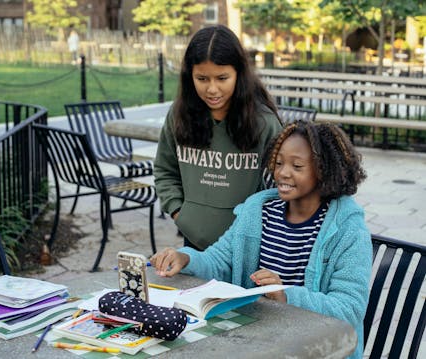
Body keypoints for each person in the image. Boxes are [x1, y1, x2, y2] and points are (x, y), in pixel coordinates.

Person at [151, 121, 372, 359]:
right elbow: (221, 260)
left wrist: (285, 295)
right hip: (256, 340)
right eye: (278, 163)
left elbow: (349, 308)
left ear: (325, 170)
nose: (282, 173)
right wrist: (186, 258)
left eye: (297, 166)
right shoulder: (259, 211)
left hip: (317, 348)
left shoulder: (347, 229)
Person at [154, 25, 282, 250]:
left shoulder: (264, 122)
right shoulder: (178, 115)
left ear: (239, 74)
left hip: (247, 246)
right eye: (202, 78)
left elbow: (281, 186)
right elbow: (165, 170)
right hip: (193, 243)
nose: (212, 89)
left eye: (222, 78)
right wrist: (179, 213)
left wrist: (258, 226)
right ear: (189, 75)